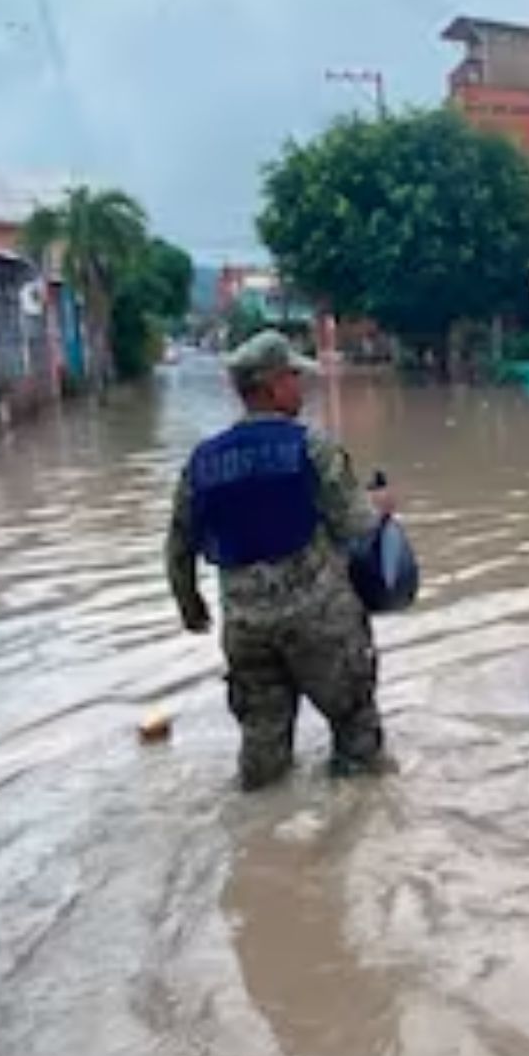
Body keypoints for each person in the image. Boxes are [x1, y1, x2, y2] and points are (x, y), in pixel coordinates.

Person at [164, 331, 396, 790]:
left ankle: (262, 848)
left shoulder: (203, 462)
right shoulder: (310, 448)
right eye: (294, 377)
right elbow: (358, 527)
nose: (301, 386)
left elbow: (178, 545)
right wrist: (380, 506)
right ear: (271, 385)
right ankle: (352, 837)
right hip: (321, 623)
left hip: (246, 630)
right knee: (356, 737)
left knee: (262, 753)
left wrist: (191, 608)